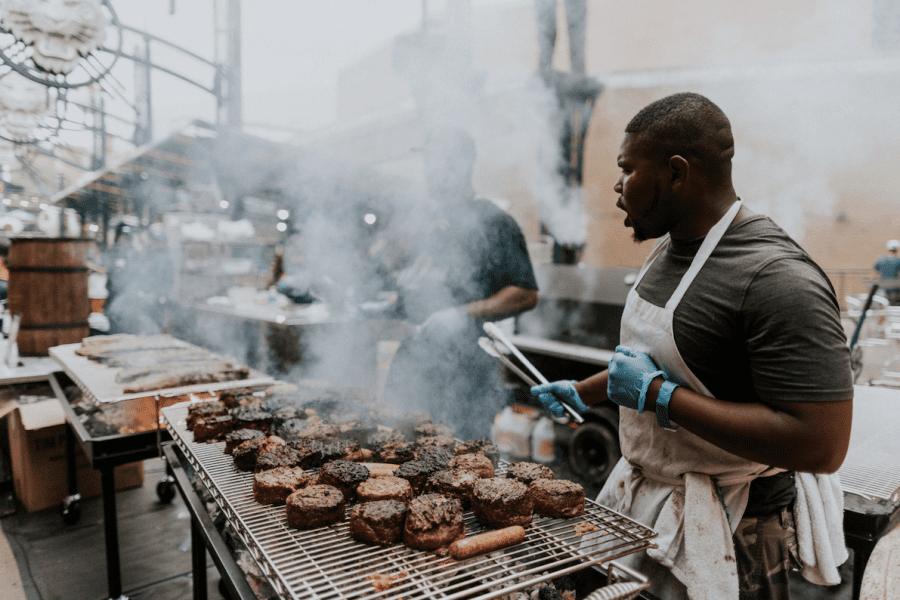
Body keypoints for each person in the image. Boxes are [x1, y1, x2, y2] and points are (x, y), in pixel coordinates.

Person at [531, 93, 853, 600]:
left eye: (627, 170)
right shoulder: (670, 246)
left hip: (738, 532)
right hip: (653, 508)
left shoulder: (776, 279)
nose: (617, 188)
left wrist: (660, 397)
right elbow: (659, 365)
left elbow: (822, 444)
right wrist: (584, 390)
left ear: (676, 173)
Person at [385, 127, 538, 441]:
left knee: (457, 469)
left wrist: (459, 314)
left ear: (461, 164)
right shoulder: (428, 223)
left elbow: (524, 294)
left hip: (462, 376)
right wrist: (383, 306)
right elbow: (417, 285)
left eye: (435, 162)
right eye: (427, 163)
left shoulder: (493, 222)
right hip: (413, 369)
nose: (428, 172)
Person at [873, 239, 900, 304]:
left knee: (882, 305)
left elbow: (874, 274)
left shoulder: (880, 260)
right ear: (897, 249)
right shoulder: (898, 261)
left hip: (883, 288)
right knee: (894, 306)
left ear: (888, 249)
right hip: (895, 289)